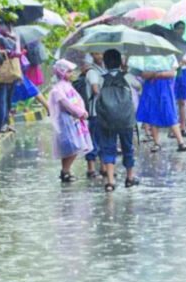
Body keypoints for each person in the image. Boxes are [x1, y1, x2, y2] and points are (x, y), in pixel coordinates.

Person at [96, 50, 139, 192]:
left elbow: (95, 94)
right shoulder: (127, 77)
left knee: (108, 147)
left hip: (106, 119)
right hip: (126, 119)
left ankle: (110, 181)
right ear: (120, 62)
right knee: (128, 147)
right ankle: (130, 178)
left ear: (105, 63)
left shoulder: (101, 79)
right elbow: (139, 87)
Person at [136, 53, 186, 153]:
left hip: (165, 87)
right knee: (153, 113)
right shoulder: (146, 57)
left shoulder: (170, 56)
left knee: (170, 112)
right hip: (151, 87)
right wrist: (157, 74)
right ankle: (156, 142)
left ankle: (181, 142)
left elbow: (172, 72)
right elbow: (142, 73)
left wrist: (156, 74)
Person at [48, 59, 92, 183]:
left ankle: (65, 170)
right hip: (66, 120)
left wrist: (81, 111)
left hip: (74, 120)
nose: (71, 74)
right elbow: (66, 103)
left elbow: (77, 100)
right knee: (73, 145)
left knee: (72, 146)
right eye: (68, 72)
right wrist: (79, 113)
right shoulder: (58, 89)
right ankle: (65, 170)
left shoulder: (67, 85)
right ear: (61, 72)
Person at [83, 52, 107, 179]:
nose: (100, 56)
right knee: (93, 140)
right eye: (97, 54)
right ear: (92, 55)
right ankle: (91, 168)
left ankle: (103, 167)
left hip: (103, 111)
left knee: (103, 140)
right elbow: (95, 89)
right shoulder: (92, 72)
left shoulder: (104, 70)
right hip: (95, 111)